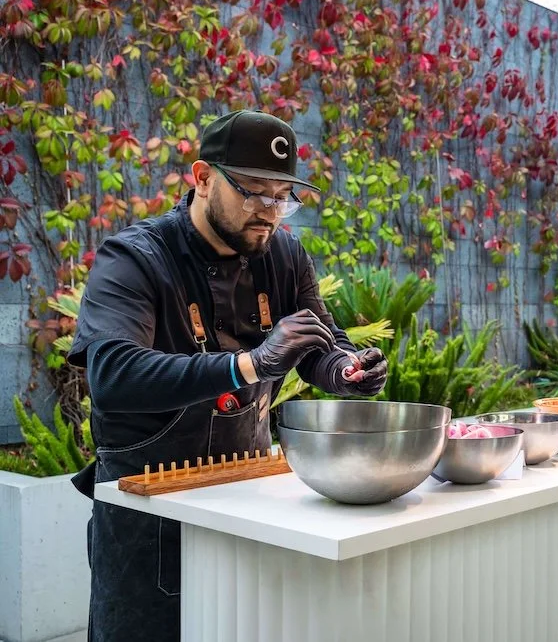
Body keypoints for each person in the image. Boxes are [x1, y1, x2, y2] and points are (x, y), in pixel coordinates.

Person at [67, 110, 388, 642]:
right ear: (203, 178)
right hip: (146, 502)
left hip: (246, 492)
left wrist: (346, 370)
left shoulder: (284, 254)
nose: (270, 213)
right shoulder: (134, 258)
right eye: (254, 193)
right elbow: (114, 376)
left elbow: (320, 343)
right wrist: (251, 363)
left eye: (282, 197)